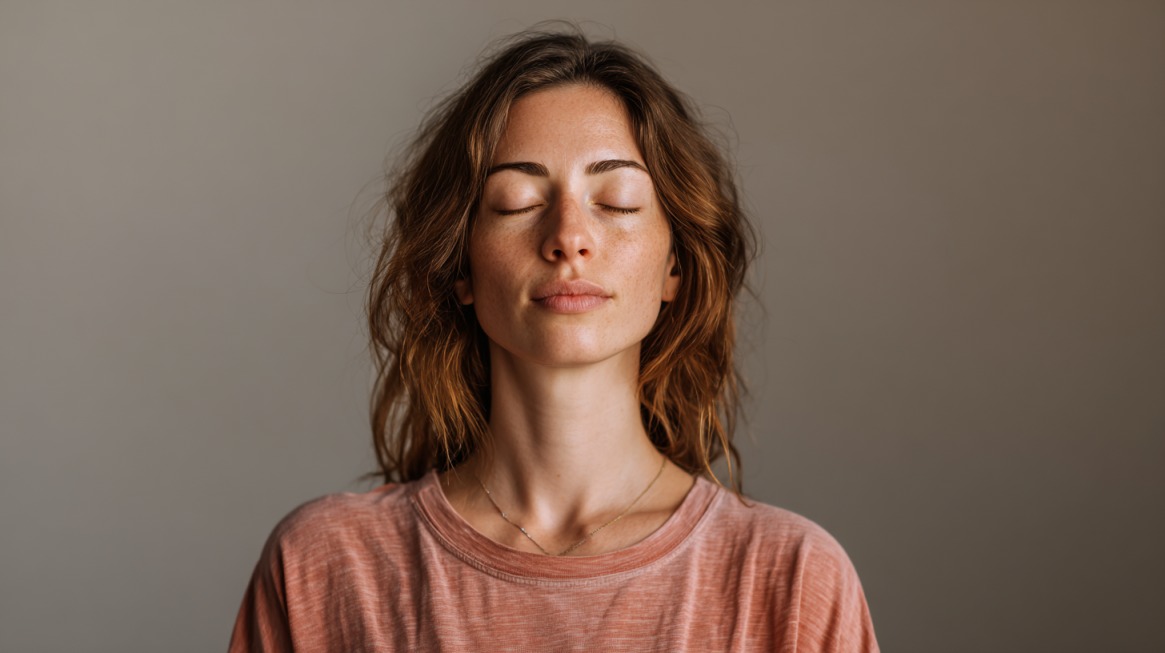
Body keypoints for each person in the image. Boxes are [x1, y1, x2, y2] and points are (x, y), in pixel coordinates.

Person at [229, 26, 879, 652]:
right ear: (460, 266)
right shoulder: (324, 566)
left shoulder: (790, 579)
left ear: (674, 266)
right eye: (516, 201)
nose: (569, 236)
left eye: (617, 201)